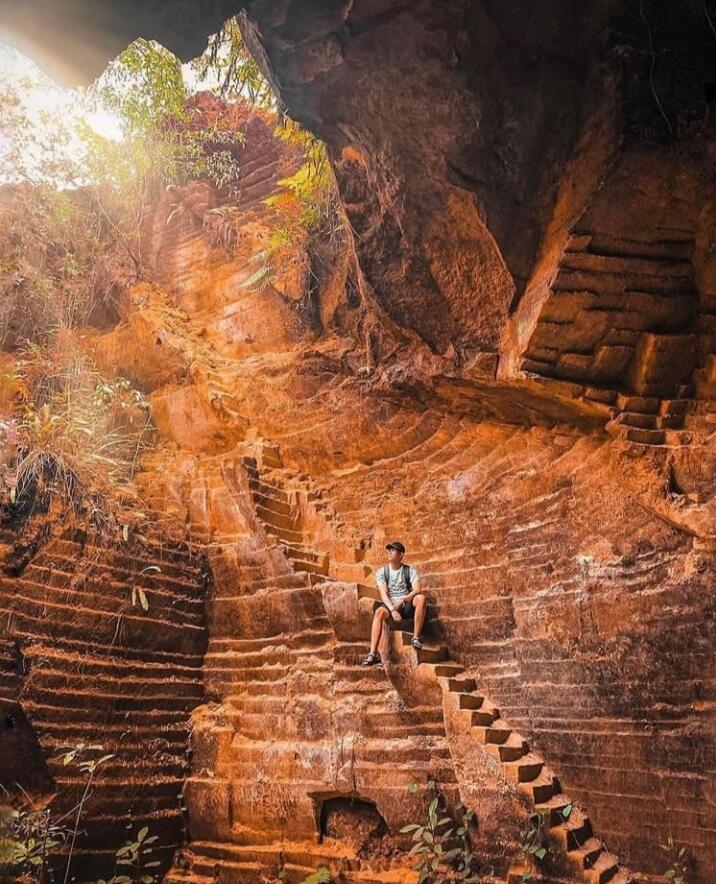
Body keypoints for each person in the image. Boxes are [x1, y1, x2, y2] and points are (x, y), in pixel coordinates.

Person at [362, 540, 427, 667]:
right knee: (379, 612)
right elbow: (383, 594)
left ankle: (415, 637)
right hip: (390, 605)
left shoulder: (409, 571)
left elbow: (417, 589)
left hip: (406, 604)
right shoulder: (382, 572)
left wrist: (402, 601)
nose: (390, 552)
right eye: (389, 550)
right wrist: (392, 609)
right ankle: (373, 653)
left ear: (401, 554)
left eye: (393, 550)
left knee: (421, 599)